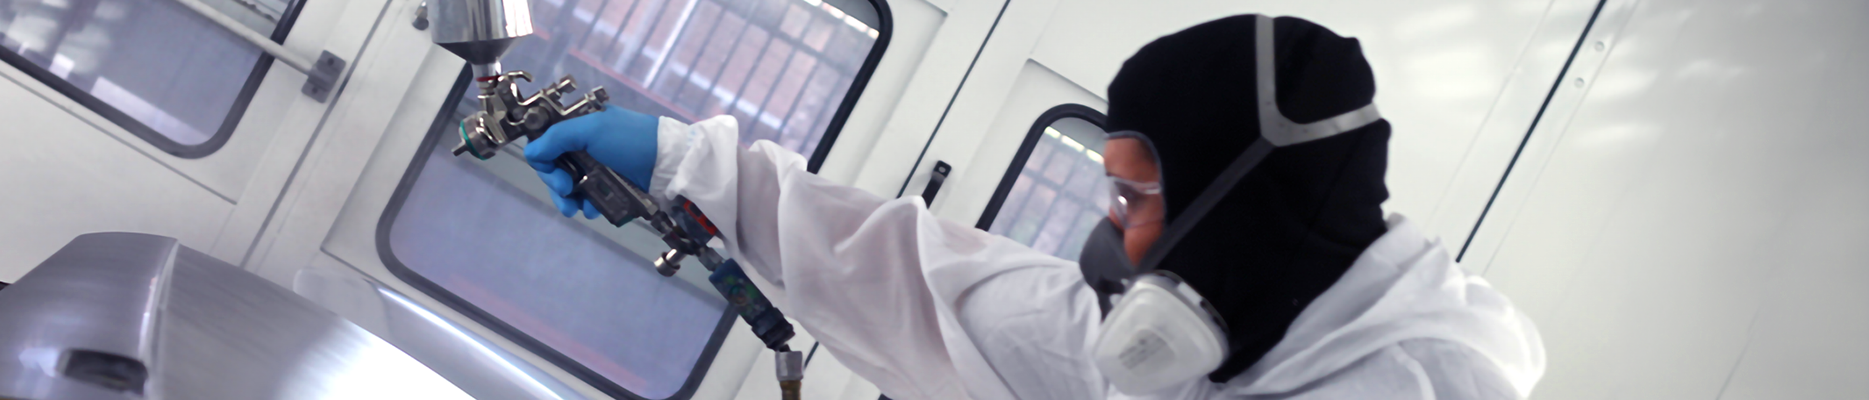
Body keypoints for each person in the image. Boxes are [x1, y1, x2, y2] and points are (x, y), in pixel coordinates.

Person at [524, 14, 1545, 400]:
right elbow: (942, 289)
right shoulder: (1253, 330)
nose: (1110, 237)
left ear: (1248, 211)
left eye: (1136, 196)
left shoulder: (1424, 387)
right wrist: (691, 165)